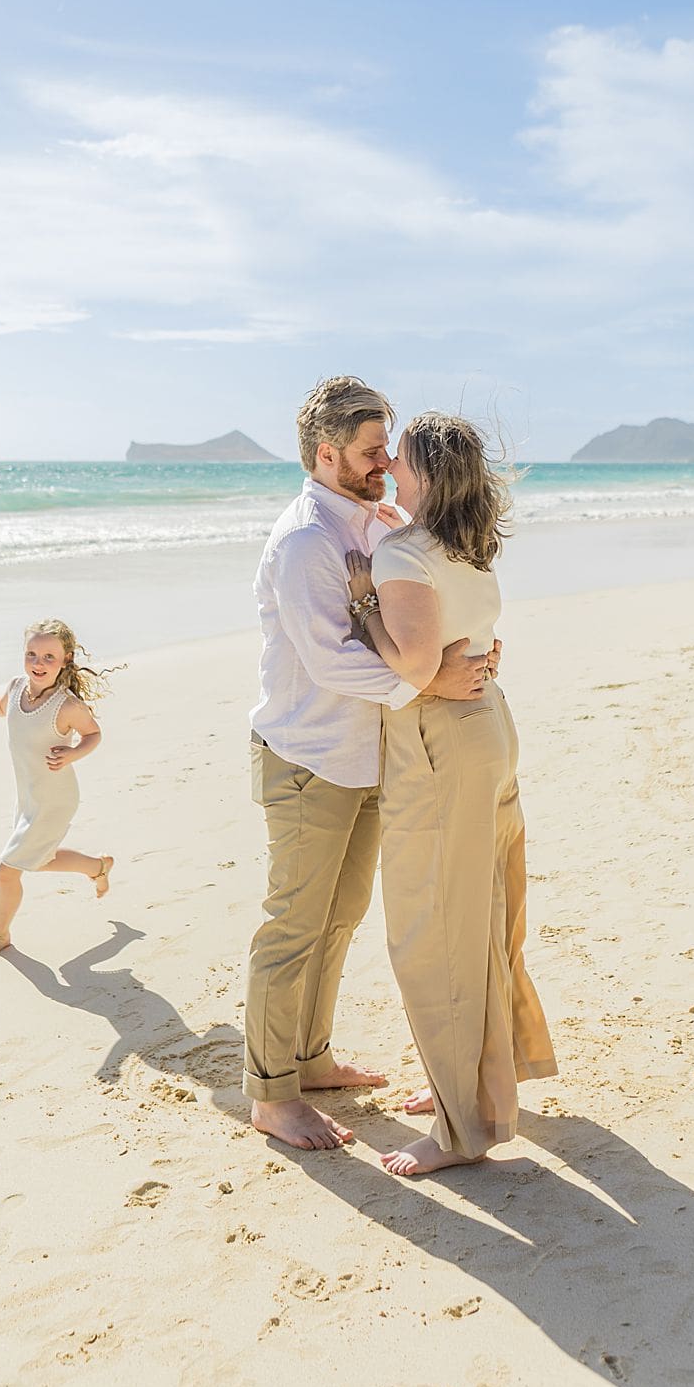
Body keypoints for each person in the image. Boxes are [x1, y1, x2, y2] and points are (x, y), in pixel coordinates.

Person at [244, 377, 495, 1151]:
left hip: (369, 756)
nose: (386, 460)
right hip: (307, 755)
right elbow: (328, 661)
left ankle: (312, 1059)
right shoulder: (305, 542)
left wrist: (472, 651)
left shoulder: (379, 521)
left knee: (340, 918)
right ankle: (270, 1094)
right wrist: (427, 679)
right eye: (369, 450)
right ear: (326, 455)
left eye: (388, 446)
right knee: (294, 926)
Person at [346, 411, 556, 1175]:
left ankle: (460, 1129)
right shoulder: (468, 548)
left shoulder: (404, 553)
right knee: (489, 914)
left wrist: (364, 600)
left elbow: (413, 663)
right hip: (488, 727)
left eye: (399, 457)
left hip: (442, 744)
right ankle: (474, 1086)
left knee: (435, 935)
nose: (389, 465)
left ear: (427, 473)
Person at [0, 618, 115, 959]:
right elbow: (0, 708)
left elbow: (94, 734)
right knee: (38, 861)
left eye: (48, 657)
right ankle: (97, 867)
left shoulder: (66, 705)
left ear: (66, 659)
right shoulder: (15, 688)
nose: (38, 664)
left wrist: (73, 753)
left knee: (8, 869)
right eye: (31, 654)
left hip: (54, 800)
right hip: (29, 795)